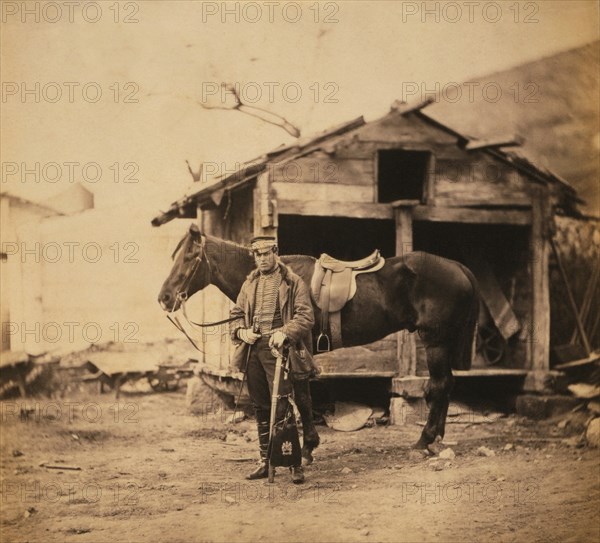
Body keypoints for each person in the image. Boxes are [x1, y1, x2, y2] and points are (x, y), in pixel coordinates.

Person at [230, 236, 315, 484]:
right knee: (260, 407)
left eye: (267, 253)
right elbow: (236, 313)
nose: (262, 258)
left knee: (283, 407)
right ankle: (265, 462)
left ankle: (293, 464)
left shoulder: (293, 281)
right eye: (258, 255)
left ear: (276, 253)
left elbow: (306, 316)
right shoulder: (249, 284)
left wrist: (285, 332)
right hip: (254, 351)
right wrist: (241, 332)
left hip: (279, 351)